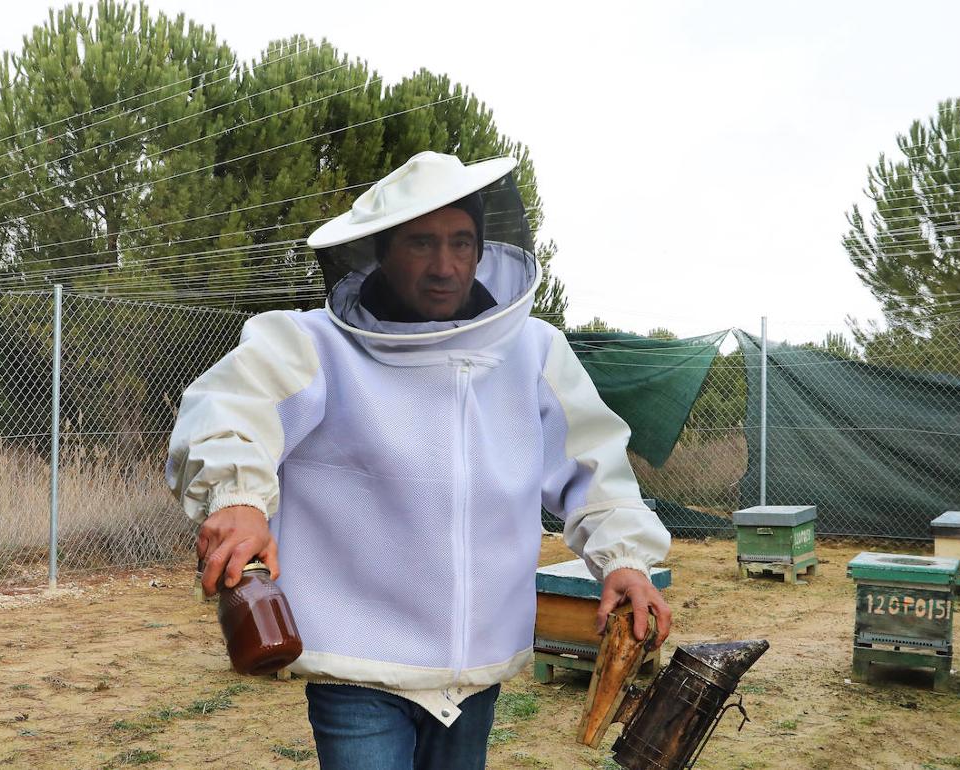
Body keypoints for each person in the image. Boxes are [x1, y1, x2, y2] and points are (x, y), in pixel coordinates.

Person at [166, 151, 672, 770]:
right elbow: (231, 411)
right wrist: (237, 499)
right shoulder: (314, 344)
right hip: (357, 664)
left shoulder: (534, 352)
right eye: (420, 243)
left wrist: (625, 560)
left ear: (483, 251)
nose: (444, 265)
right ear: (381, 250)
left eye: (462, 243)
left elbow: (593, 466)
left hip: (477, 669)